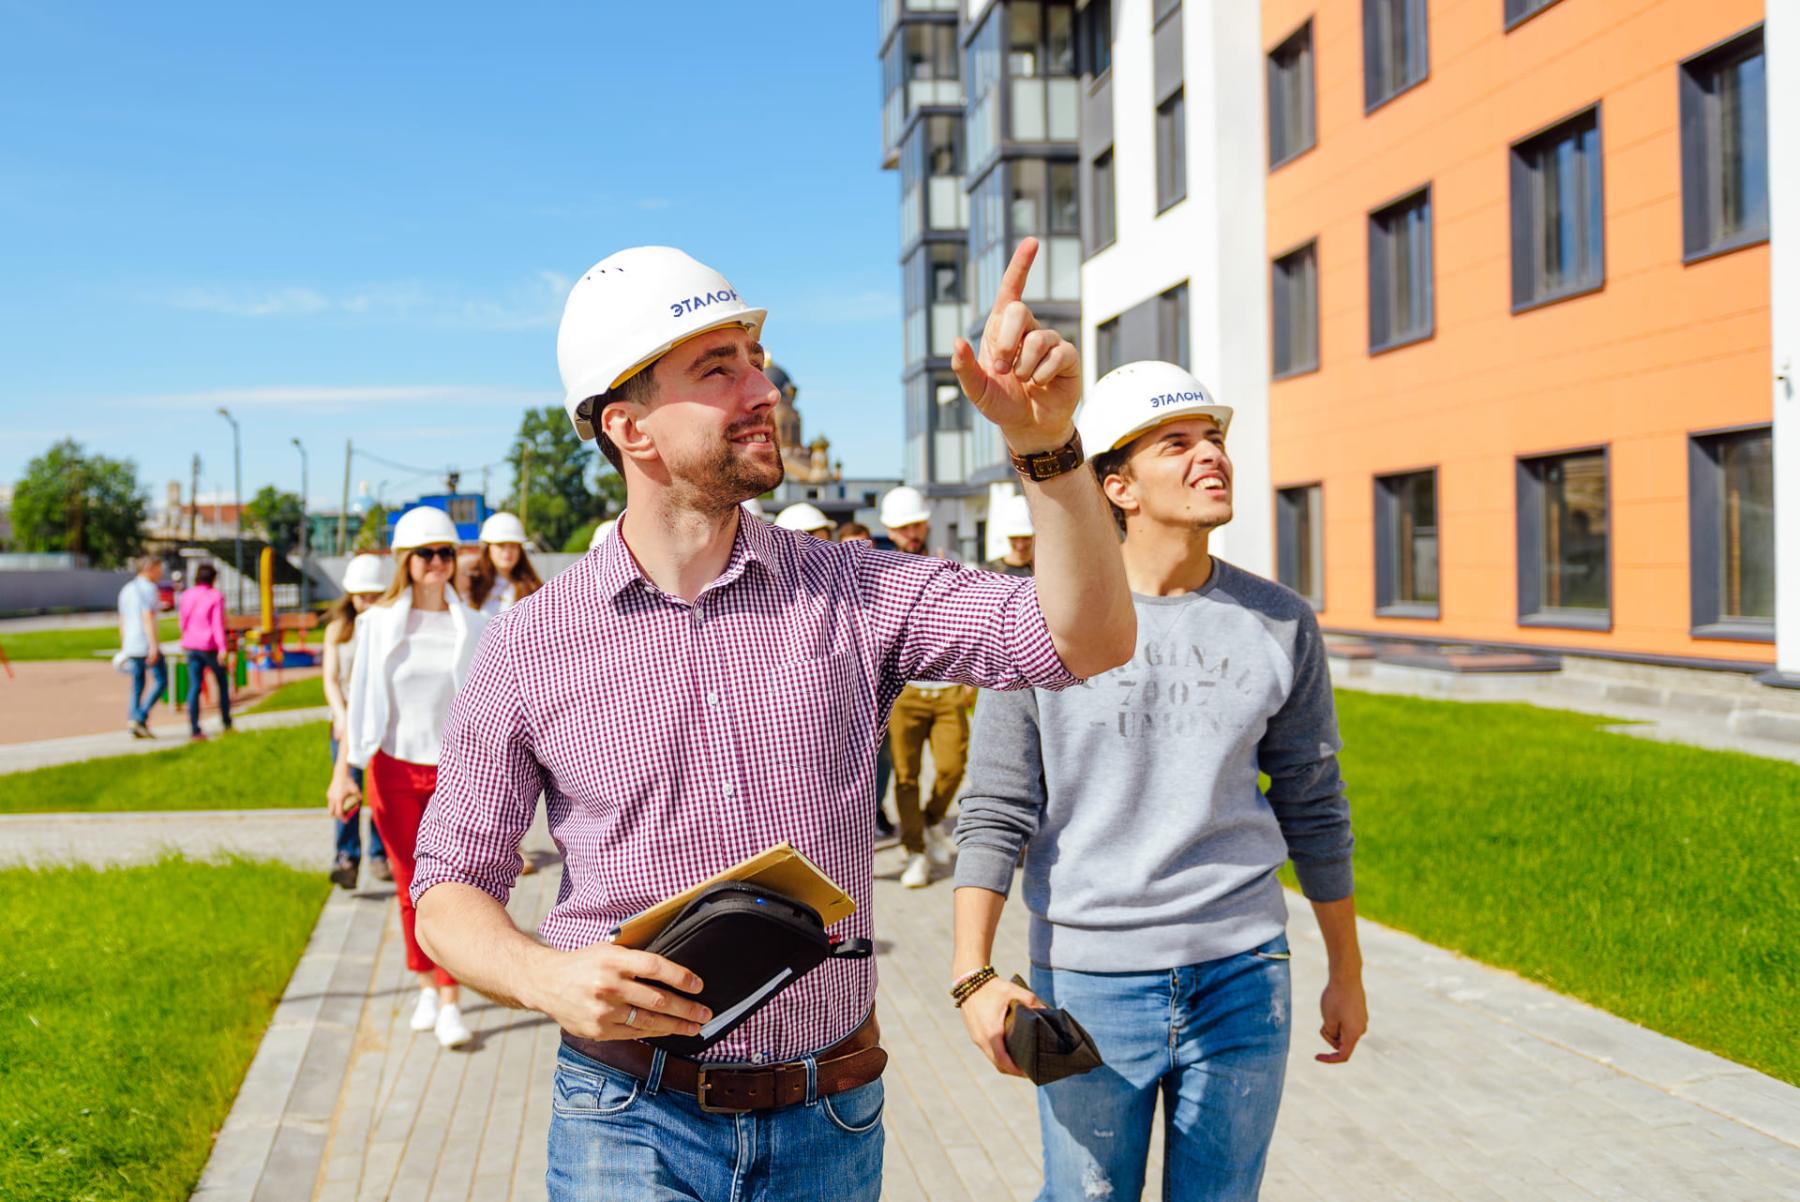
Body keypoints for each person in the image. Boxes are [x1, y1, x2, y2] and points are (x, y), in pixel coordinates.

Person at [407, 239, 1134, 1202]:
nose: (764, 390)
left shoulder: (853, 590)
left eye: (756, 362)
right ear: (631, 427)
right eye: (719, 370)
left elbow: (1084, 638)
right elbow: (449, 888)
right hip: (624, 1120)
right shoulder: (527, 644)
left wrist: (1049, 447)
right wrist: (544, 977)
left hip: (826, 1119)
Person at [952, 361, 1368, 1202]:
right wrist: (973, 973)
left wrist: (1346, 970)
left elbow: (1314, 804)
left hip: (1246, 973)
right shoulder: (1038, 621)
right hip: (1090, 981)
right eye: (1175, 443)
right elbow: (995, 807)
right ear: (1119, 485)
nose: (1208, 454)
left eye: (1213, 437)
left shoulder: (1281, 621)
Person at [328, 507, 488, 1050]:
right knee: (406, 887)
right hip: (392, 769)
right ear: (406, 561)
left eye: (446, 553)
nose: (438, 563)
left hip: (454, 775)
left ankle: (450, 999)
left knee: (452, 888)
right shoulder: (375, 624)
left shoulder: (476, 623)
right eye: (426, 554)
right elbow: (360, 705)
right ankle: (424, 983)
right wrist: (344, 772)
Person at [879, 484, 971, 889]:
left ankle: (933, 821)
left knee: (952, 768)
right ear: (889, 529)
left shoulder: (952, 563)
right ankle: (915, 851)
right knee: (905, 776)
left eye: (916, 524)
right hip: (904, 691)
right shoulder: (878, 571)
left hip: (948, 687)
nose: (911, 533)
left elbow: (969, 625)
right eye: (902, 528)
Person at [324, 553, 391, 890]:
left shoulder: (387, 625)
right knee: (346, 788)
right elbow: (331, 678)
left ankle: (381, 853)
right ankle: (347, 855)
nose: (367, 602)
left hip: (378, 717)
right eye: (362, 595)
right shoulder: (339, 628)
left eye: (373, 595)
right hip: (347, 718)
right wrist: (340, 715)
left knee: (379, 789)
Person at [834, 520, 893, 837]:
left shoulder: (884, 575)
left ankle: (874, 808)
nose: (862, 550)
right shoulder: (825, 584)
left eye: (866, 541)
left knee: (881, 761)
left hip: (882, 685)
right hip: (842, 687)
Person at [177, 563, 232, 742]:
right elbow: (217, 624)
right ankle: (226, 722)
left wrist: (184, 637)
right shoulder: (215, 596)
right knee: (222, 684)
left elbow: (183, 620)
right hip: (209, 646)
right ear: (213, 578)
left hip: (191, 645)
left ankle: (194, 728)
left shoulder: (187, 595)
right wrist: (223, 648)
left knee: (194, 686)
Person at [118, 556, 166, 738]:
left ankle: (134, 721)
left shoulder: (127, 589)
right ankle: (139, 716)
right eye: (159, 568)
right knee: (161, 681)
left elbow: (121, 620)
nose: (161, 573)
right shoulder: (149, 589)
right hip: (144, 643)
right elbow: (148, 617)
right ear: (149, 568)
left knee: (137, 685)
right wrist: (154, 645)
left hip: (131, 644)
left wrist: (124, 644)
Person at [478, 512, 544, 613]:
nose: (507, 552)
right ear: (488, 548)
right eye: (501, 545)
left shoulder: (532, 588)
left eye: (513, 545)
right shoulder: (472, 585)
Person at [983, 494, 1035, 577]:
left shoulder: (1044, 570)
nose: (1020, 545)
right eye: (1014, 538)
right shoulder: (989, 572)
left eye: (1026, 538)